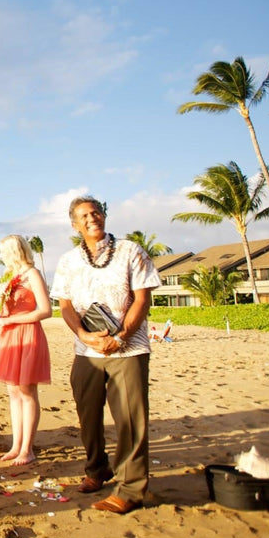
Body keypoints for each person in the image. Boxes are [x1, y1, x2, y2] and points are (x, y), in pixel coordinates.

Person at [51, 195, 161, 514]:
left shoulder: (130, 250)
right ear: (74, 224)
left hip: (128, 348)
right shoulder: (68, 260)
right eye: (84, 215)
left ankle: (130, 488)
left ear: (104, 216)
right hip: (86, 350)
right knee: (88, 413)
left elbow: (142, 299)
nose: (91, 218)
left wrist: (121, 335)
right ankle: (96, 470)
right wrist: (84, 334)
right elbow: (66, 305)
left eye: (96, 212)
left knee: (129, 417)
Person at [0, 234, 52, 466]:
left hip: (27, 333)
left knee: (27, 391)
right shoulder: (8, 276)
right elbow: (4, 309)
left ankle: (27, 449)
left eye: (4, 251)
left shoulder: (32, 274)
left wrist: (15, 320)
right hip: (9, 335)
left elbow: (45, 310)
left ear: (14, 251)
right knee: (13, 392)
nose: (1, 256)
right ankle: (16, 445)